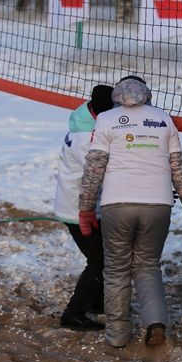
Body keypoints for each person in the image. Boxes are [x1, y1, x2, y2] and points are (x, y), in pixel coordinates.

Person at [78, 76, 182, 349]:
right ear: (147, 94)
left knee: (117, 269)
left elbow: (94, 168)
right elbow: (178, 167)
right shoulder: (163, 119)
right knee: (147, 266)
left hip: (118, 204)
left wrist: (86, 207)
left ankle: (118, 334)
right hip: (158, 205)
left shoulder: (107, 119)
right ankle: (156, 322)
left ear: (117, 96)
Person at [53, 84, 114, 331]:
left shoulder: (84, 119)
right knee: (99, 260)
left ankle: (98, 304)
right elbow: (103, 170)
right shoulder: (86, 138)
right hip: (78, 209)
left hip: (79, 205)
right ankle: (74, 313)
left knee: (103, 257)